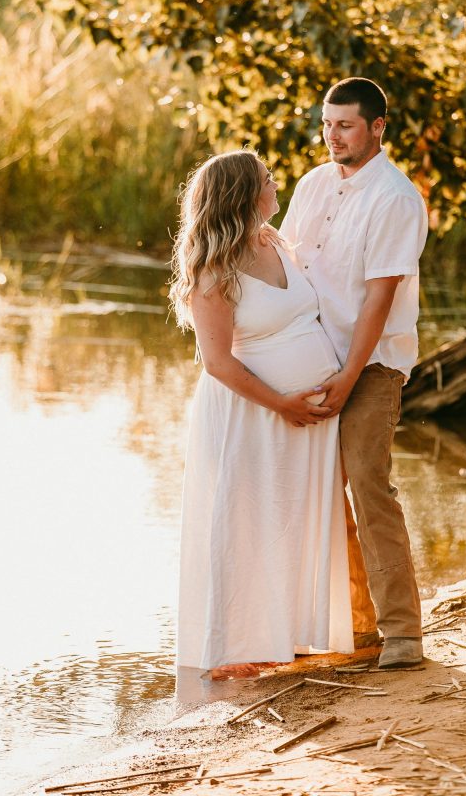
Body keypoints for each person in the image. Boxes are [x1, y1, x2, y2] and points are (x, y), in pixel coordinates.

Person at [169, 150, 354, 680]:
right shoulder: (213, 271)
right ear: (244, 194)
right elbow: (218, 363)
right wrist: (283, 403)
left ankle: (287, 637)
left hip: (303, 418)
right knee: (246, 523)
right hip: (250, 416)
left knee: (291, 521)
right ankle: (235, 648)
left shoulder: (276, 242)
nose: (277, 185)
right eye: (268, 179)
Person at [280, 77, 428, 669]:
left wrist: (348, 377)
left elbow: (379, 300)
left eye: (344, 125)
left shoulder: (396, 199)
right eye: (326, 124)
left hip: (373, 364)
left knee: (368, 484)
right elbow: (288, 269)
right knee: (313, 488)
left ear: (377, 128)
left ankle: (403, 633)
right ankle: (355, 627)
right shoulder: (313, 185)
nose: (332, 136)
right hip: (311, 360)